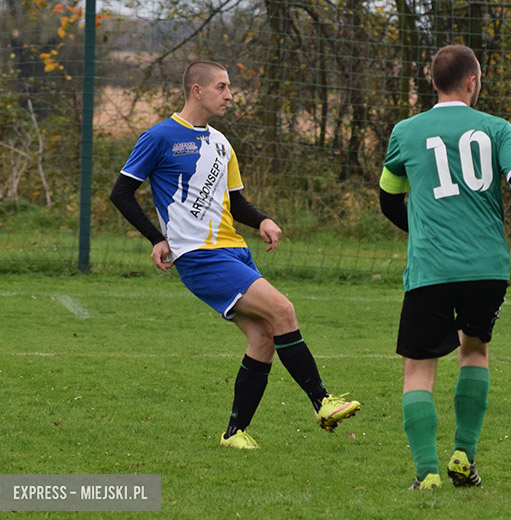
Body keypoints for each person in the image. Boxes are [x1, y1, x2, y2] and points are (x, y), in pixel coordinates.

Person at [110, 60, 360, 450]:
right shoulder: (159, 136)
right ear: (197, 90)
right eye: (222, 87)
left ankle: (234, 433)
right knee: (283, 311)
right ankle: (322, 402)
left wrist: (262, 221)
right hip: (199, 256)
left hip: (235, 252)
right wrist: (156, 238)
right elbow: (121, 192)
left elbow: (236, 202)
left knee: (263, 337)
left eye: (230, 87)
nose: (229, 95)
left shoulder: (221, 143)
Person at [379, 45, 511, 490]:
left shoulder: (406, 131)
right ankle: (463, 458)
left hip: (432, 268)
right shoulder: (497, 128)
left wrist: (422, 229)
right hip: (487, 268)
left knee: (418, 367)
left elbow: (388, 197)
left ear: (433, 83)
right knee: (475, 351)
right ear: (473, 81)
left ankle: (427, 473)